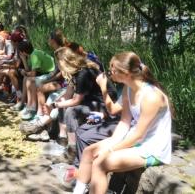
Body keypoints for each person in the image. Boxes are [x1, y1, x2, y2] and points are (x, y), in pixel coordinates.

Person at [72, 52, 172, 194]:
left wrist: (111, 149)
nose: (109, 73)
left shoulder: (151, 96)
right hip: (136, 139)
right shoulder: (128, 88)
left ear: (125, 73)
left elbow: (139, 135)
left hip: (152, 148)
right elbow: (125, 122)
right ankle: (79, 191)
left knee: (100, 163)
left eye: (112, 70)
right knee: (89, 152)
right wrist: (112, 141)